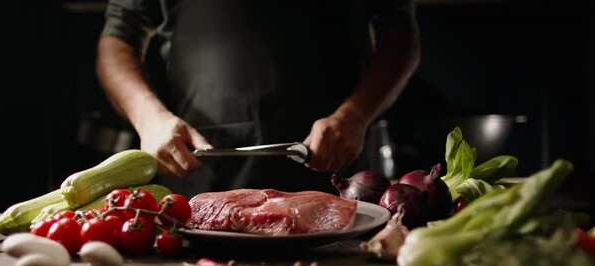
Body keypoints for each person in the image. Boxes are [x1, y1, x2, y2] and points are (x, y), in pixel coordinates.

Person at [96, 0, 420, 197]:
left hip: (334, 171)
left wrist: (355, 116)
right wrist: (149, 119)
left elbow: (399, 33)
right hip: (201, 172)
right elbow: (118, 39)